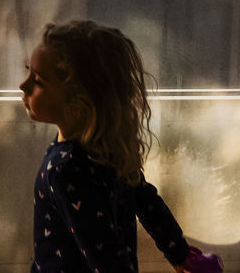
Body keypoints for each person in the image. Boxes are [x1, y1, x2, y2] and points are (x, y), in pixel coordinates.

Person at [20, 20, 198, 273]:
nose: (23, 86)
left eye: (37, 81)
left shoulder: (66, 169)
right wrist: (179, 254)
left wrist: (181, 256)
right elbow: (148, 203)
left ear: (78, 101)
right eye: (29, 72)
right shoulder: (104, 151)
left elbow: (106, 259)